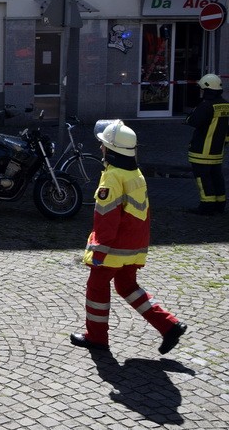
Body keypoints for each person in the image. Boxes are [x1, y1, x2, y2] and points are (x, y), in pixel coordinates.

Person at [70, 119, 188, 354]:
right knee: (127, 285)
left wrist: (99, 250)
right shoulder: (135, 173)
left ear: (111, 149)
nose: (101, 148)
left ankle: (96, 337)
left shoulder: (112, 177)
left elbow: (106, 218)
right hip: (134, 245)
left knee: (96, 287)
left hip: (114, 247)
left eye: (103, 144)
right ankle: (169, 325)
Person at [185, 73, 229, 215]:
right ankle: (220, 204)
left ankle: (207, 206)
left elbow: (193, 121)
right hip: (217, 151)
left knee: (203, 179)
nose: (201, 92)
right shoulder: (225, 105)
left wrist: (190, 116)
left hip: (202, 151)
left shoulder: (206, 106)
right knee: (217, 177)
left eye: (202, 89)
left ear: (207, 89)